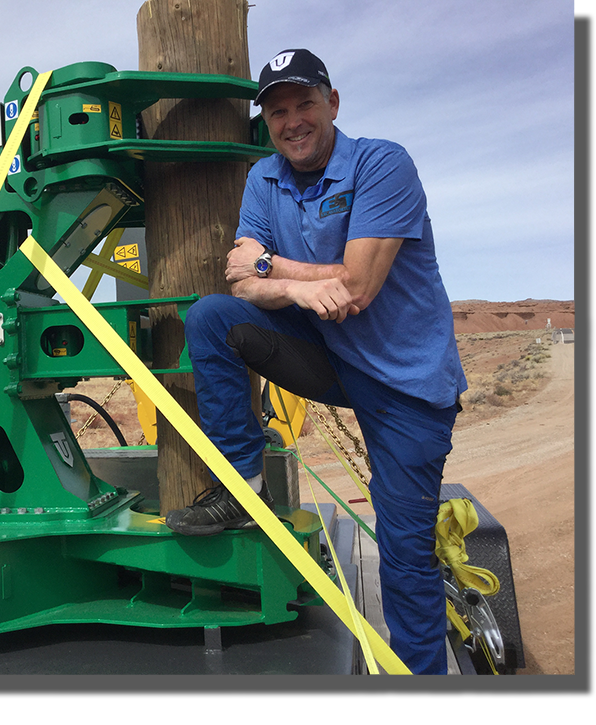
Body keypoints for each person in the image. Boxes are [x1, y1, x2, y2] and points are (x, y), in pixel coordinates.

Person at [164, 49, 468, 675]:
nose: (292, 120)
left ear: (333, 102)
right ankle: (243, 489)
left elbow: (356, 288)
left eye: (304, 103)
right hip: (328, 356)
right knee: (212, 318)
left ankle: (420, 685)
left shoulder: (383, 163)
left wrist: (274, 267)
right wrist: (298, 289)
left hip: (406, 385)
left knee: (406, 552)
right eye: (277, 111)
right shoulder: (262, 178)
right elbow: (241, 283)